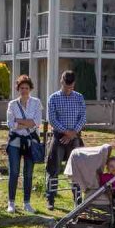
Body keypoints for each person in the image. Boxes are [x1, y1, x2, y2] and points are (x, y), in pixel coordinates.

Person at [45, 70, 86, 209]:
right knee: (53, 169)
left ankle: (78, 199)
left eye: (71, 87)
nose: (68, 89)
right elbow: (52, 119)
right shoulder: (53, 98)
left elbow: (83, 117)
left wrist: (73, 132)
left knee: (76, 169)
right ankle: (50, 198)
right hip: (59, 137)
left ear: (74, 84)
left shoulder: (79, 97)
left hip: (74, 137)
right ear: (61, 82)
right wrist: (65, 132)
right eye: (66, 86)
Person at [6, 74, 42, 214]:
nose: (24, 90)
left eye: (26, 88)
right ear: (18, 89)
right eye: (22, 88)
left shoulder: (36, 102)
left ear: (30, 89)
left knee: (28, 173)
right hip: (15, 141)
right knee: (14, 172)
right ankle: (11, 202)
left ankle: (27, 203)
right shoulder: (12, 104)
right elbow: (10, 124)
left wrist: (20, 121)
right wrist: (26, 122)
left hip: (30, 141)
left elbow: (37, 122)